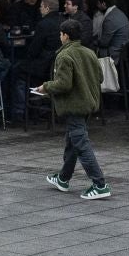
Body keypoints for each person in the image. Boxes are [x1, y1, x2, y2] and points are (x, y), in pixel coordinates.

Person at [36, 19, 110, 199]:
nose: (59, 37)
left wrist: (45, 87)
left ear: (65, 36)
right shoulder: (89, 52)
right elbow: (99, 77)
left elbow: (63, 84)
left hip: (74, 106)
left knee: (81, 144)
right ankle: (63, 178)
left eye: (60, 34)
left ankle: (99, 184)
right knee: (72, 142)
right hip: (88, 104)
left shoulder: (64, 56)